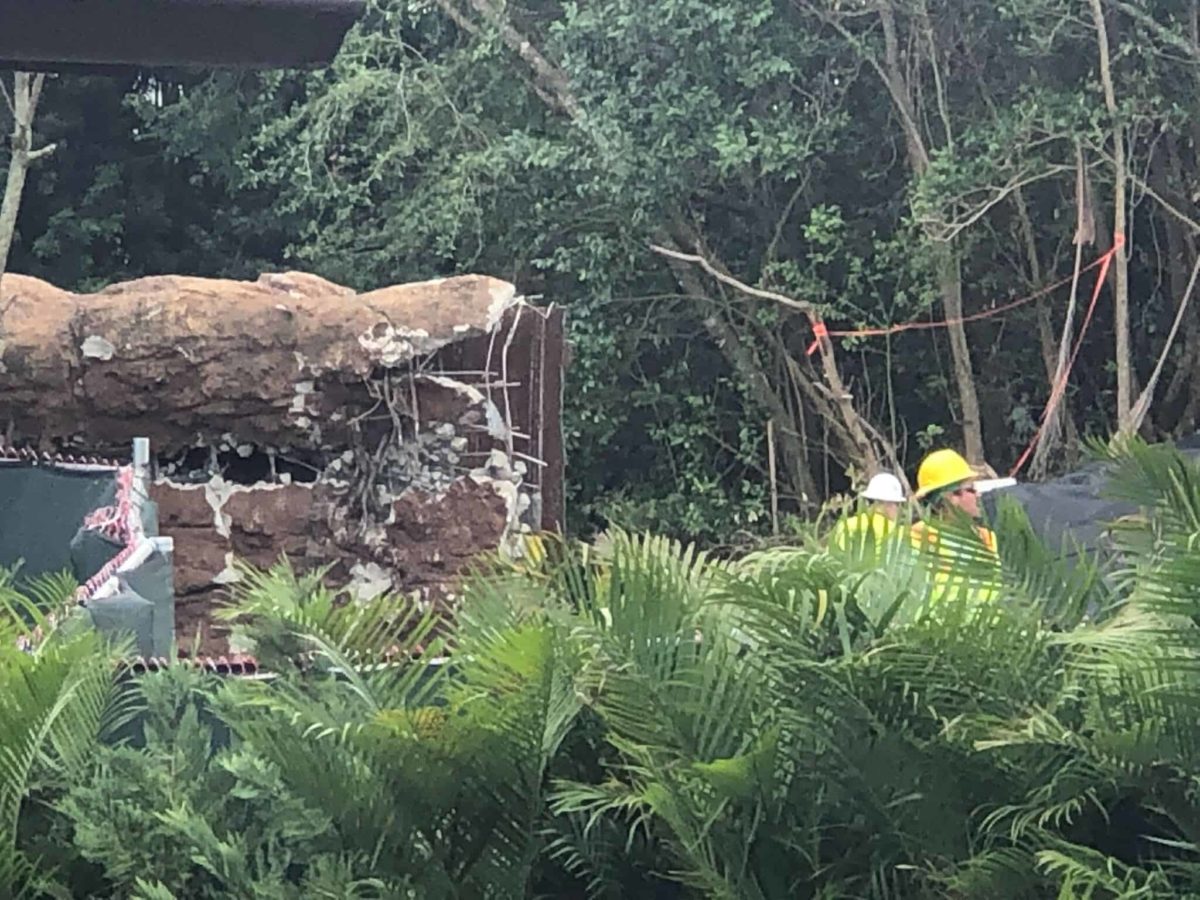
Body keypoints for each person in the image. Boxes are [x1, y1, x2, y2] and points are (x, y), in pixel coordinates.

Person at [911, 448, 999, 602]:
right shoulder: (920, 537)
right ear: (951, 497)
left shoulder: (987, 538)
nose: (978, 495)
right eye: (971, 489)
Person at [830, 472, 907, 553]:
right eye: (898, 504)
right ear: (890, 504)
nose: (900, 510)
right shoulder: (898, 534)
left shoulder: (845, 525)